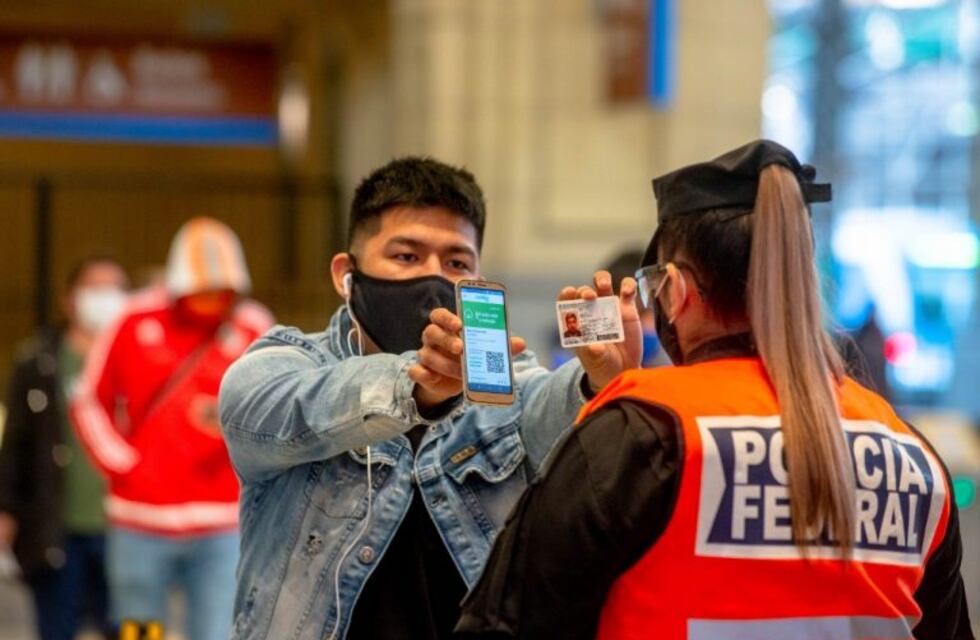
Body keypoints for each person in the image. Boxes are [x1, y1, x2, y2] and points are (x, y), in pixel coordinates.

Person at [456, 140, 973, 639]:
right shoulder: (913, 456)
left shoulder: (640, 436)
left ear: (675, 290)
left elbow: (504, 622)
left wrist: (616, 416)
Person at [218, 156, 641, 640]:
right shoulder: (290, 360)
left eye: (457, 262)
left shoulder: (501, 376)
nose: (434, 277)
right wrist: (414, 386)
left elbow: (545, 414)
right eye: (406, 256)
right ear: (346, 274)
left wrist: (596, 384)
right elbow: (263, 407)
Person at [70, 218, 273, 640]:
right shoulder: (133, 318)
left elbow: (278, 409)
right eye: (202, 289)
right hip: (140, 520)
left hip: (223, 523)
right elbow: (88, 398)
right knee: (140, 631)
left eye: (224, 289)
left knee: (218, 632)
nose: (212, 299)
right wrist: (123, 464)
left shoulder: (255, 326)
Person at [0, 255, 129, 640]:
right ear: (68, 298)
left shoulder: (142, 357)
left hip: (129, 533)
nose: (105, 299)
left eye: (115, 289)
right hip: (58, 532)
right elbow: (16, 447)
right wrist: (6, 513)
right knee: (56, 629)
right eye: (94, 288)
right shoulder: (37, 363)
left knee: (139, 628)